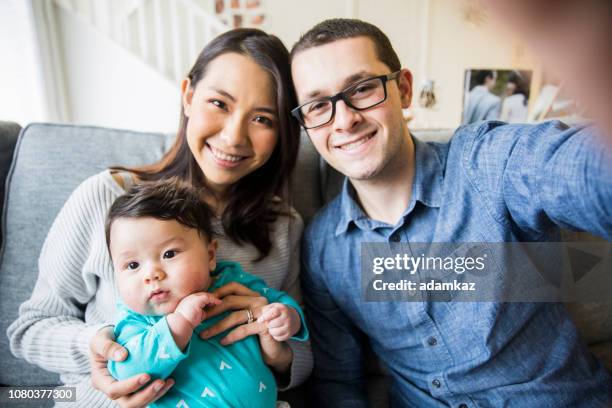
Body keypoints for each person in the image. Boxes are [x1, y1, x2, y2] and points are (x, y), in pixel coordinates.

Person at [290, 18, 612, 407]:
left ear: (404, 89)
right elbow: (339, 381)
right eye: (318, 105)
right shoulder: (323, 247)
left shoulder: (487, 162)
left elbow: (580, 171)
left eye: (363, 89)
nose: (344, 120)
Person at [8, 28, 312, 408]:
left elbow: (301, 363)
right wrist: (102, 346)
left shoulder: (282, 226)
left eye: (263, 119)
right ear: (188, 96)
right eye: (219, 103)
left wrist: (275, 342)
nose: (234, 137)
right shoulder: (108, 196)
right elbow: (28, 330)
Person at [105, 179, 308, 407]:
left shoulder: (230, 280)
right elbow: (126, 370)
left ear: (211, 256)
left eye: (169, 254)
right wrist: (178, 324)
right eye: (132, 265)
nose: (151, 274)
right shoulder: (135, 319)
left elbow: (277, 302)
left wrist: (287, 317)